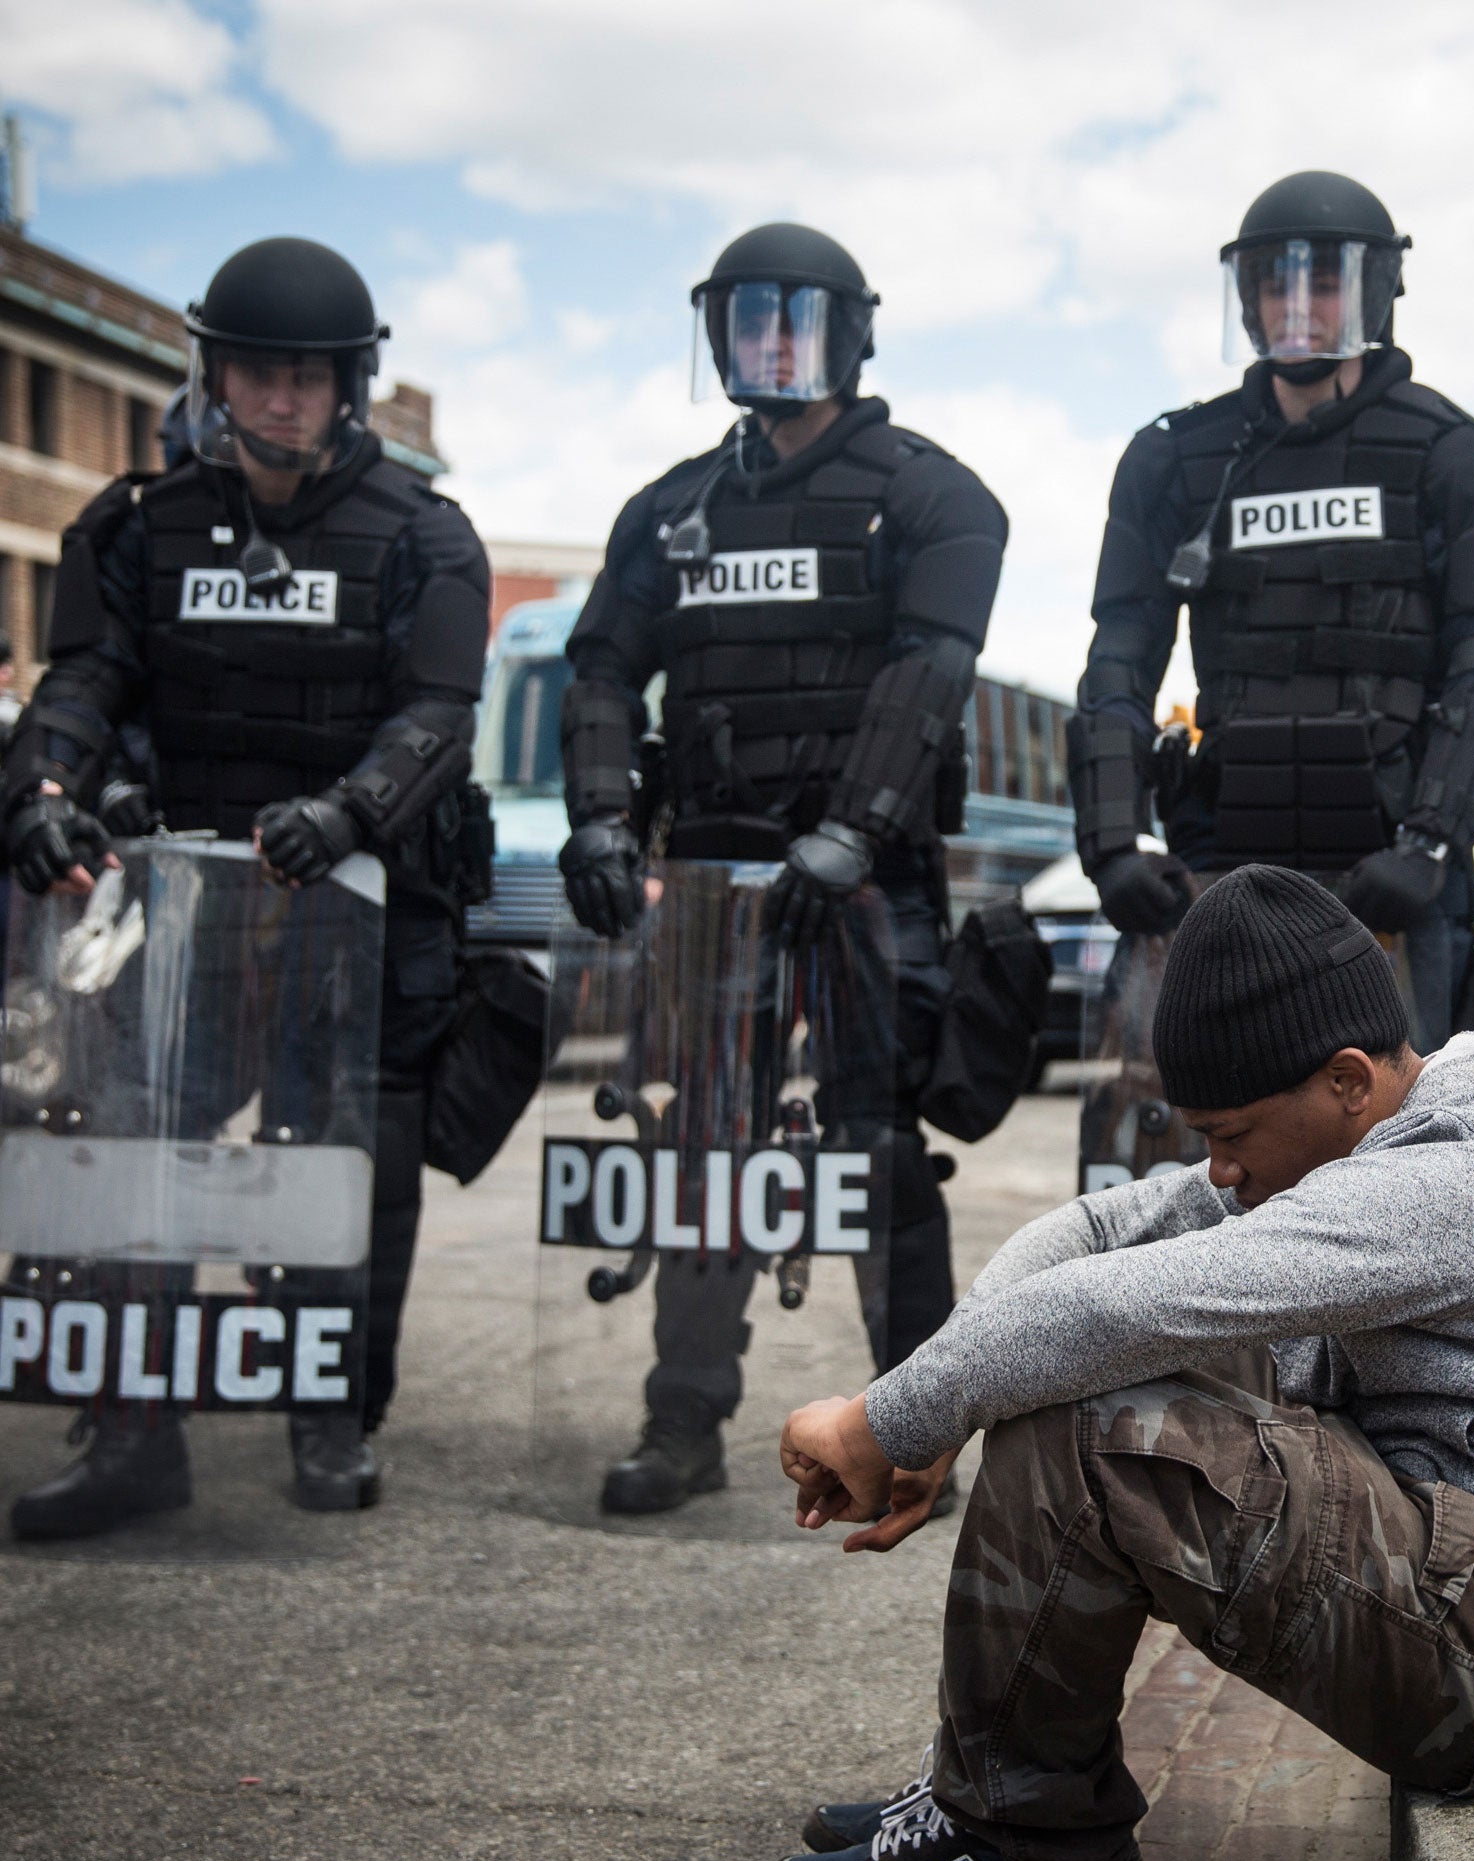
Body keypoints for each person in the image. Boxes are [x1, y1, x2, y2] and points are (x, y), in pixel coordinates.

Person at [759, 866, 1474, 1861]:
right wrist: (930, 1411)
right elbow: (1096, 1233)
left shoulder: (1442, 1185)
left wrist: (883, 1422)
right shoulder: (1365, 1135)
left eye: (1231, 1133)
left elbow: (1112, 1306)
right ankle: (997, 1786)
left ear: (1347, 1079)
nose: (1218, 1167)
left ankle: (1024, 1847)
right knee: (1065, 1368)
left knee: (1093, 1418)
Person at [3, 237, 491, 1532]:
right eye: (257, 372)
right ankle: (129, 1430)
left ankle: (329, 1418)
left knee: (340, 1169)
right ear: (216, 374)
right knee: (137, 1156)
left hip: (351, 909)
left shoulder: (421, 537)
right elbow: (81, 692)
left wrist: (348, 812)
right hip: (183, 911)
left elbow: (441, 714)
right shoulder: (133, 525)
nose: (282, 398)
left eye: (309, 376)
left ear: (349, 384)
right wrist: (40, 799)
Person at [556, 223, 1007, 1514]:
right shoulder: (673, 507)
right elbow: (598, 669)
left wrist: (854, 828)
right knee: (706, 1156)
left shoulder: (929, 492)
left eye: (795, 319)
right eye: (747, 320)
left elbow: (931, 667)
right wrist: (597, 819)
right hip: (711, 889)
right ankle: (683, 1423)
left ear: (852, 337)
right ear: (719, 336)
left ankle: (911, 1434)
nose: (769, 342)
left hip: (861, 885)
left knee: (874, 1153)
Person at [1068, 172, 1474, 1050]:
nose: (1295, 304)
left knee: (1406, 1165)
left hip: (1395, 875)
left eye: (1321, 281)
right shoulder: (1175, 459)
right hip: (1224, 873)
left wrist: (1431, 847)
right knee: (1217, 1160)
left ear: (1374, 289)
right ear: (1245, 299)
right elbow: (1119, 661)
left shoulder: (1462, 459)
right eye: (1272, 281)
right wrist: (1111, 841)